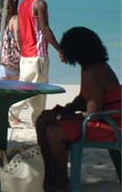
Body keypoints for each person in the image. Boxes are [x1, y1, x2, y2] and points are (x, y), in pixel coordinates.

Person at [35, 27, 121, 192]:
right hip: (107, 118)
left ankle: (60, 181)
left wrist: (61, 118)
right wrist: (68, 109)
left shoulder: (93, 71)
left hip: (113, 125)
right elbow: (84, 99)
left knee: (54, 132)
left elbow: (92, 114)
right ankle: (49, 176)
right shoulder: (92, 67)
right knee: (42, 121)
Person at [10, 0, 61, 125]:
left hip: (26, 55)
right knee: (33, 91)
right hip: (38, 55)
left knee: (28, 88)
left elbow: (19, 31)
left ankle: (32, 119)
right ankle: (17, 114)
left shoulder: (23, 4)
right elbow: (45, 29)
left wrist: (21, 49)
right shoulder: (40, 4)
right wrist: (59, 49)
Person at [0, 0, 20, 81]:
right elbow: (17, 39)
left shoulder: (0, 20)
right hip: (12, 60)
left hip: (1, 57)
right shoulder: (14, 19)